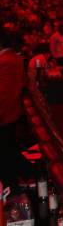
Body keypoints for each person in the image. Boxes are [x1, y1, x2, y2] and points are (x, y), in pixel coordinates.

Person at [0, 31, 32, 190]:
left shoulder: (7, 60)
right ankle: (27, 175)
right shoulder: (10, 58)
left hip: (5, 115)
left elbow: (4, 94)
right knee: (9, 151)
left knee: (5, 155)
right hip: (9, 113)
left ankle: (12, 188)